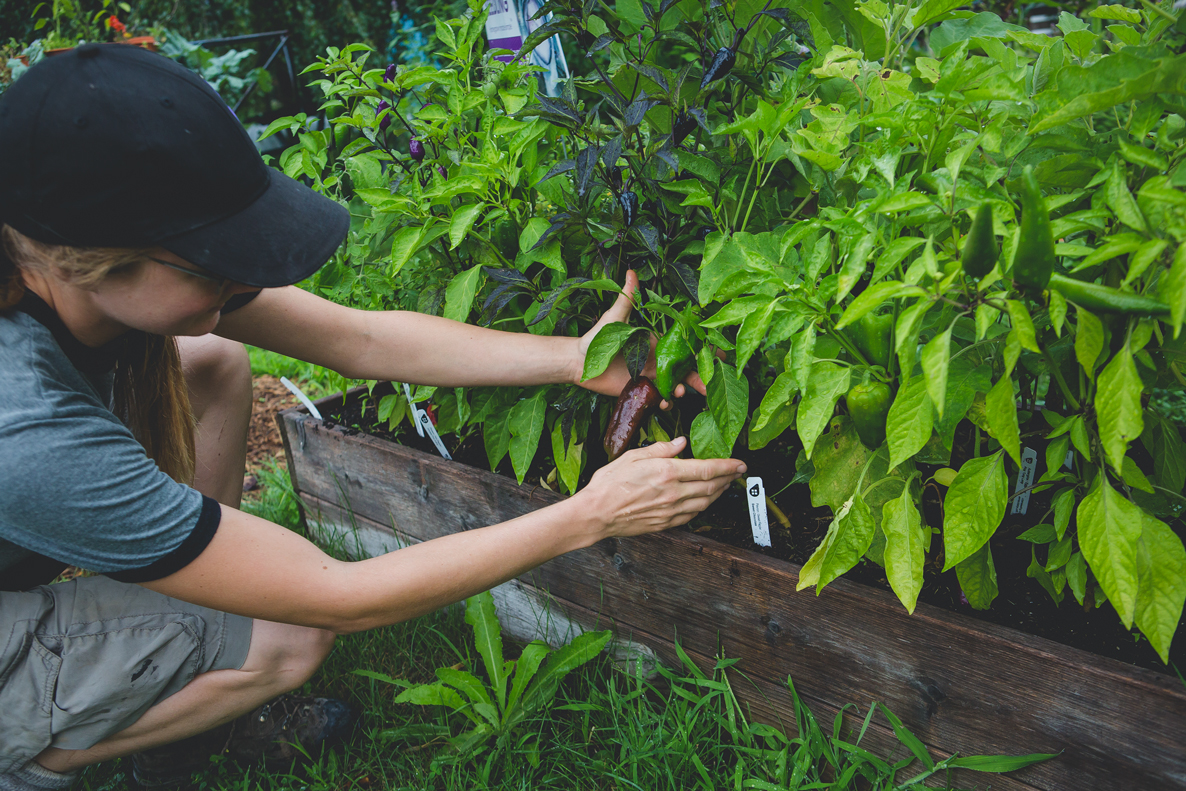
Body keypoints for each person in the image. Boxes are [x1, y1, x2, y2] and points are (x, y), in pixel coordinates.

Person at [0, 43, 745, 789]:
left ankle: (181, 642)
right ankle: (38, 754)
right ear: (83, 262)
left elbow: (357, 338)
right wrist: (588, 515)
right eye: (212, 264)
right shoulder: (26, 427)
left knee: (213, 363)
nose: (243, 277)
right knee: (289, 629)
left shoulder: (67, 276)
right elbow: (337, 592)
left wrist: (570, 358)